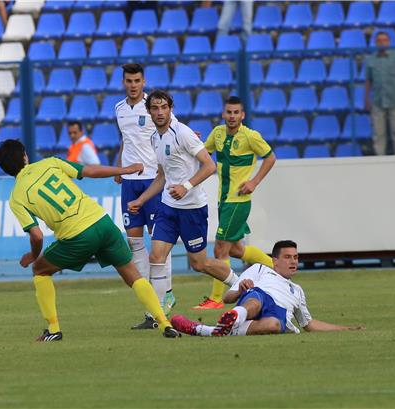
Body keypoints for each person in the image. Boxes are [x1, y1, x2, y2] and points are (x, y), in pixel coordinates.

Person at [0, 139, 179, 341]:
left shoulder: (16, 197)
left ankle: (53, 330)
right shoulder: (49, 163)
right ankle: (164, 323)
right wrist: (124, 170)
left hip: (77, 236)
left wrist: (32, 255)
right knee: (133, 276)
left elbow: (36, 235)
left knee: (40, 270)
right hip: (103, 222)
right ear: (25, 156)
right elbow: (89, 171)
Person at [127, 90, 239, 294]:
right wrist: (141, 200)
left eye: (164, 107)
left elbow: (208, 166)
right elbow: (162, 176)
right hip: (168, 208)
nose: (160, 112)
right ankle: (162, 313)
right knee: (156, 257)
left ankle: (239, 284)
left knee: (199, 263)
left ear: (171, 109)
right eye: (155, 108)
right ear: (149, 111)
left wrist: (185, 186)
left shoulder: (183, 133)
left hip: (192, 209)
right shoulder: (154, 138)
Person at [171, 240, 364, 336]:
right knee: (255, 300)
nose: (293, 262)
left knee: (273, 325)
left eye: (296, 258)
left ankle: (207, 329)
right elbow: (228, 298)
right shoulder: (260, 269)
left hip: (276, 314)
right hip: (257, 297)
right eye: (288, 257)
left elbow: (309, 324)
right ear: (275, 260)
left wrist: (346, 328)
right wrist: (240, 290)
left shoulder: (297, 290)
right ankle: (233, 318)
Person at [193, 96, 276, 310]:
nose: (232, 116)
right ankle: (275, 269)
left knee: (220, 249)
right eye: (228, 112)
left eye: (236, 113)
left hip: (238, 200)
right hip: (224, 200)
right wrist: (193, 141)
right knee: (237, 250)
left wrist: (254, 182)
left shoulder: (250, 136)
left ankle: (216, 299)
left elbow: (270, 158)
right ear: (223, 114)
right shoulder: (218, 133)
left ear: (242, 115)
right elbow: (203, 153)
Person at [114, 63, 175, 330]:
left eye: (137, 80)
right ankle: (152, 305)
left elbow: (174, 129)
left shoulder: (154, 107)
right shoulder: (118, 108)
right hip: (129, 183)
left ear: (143, 81)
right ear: (124, 82)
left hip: (153, 180)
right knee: (134, 243)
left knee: (159, 241)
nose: (133, 85)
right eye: (129, 80)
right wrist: (120, 167)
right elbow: (126, 139)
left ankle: (166, 294)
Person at [365, 31, 395, 156]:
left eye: (384, 40)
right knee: (378, 131)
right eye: (379, 41)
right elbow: (368, 80)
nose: (382, 43)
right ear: (376, 43)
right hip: (378, 99)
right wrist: (366, 98)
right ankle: (379, 156)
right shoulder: (370, 60)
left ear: (389, 42)